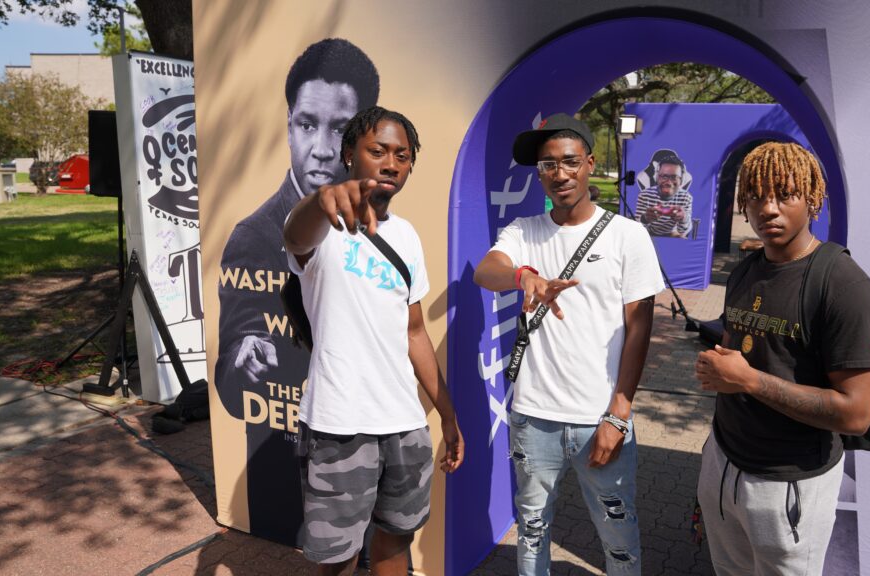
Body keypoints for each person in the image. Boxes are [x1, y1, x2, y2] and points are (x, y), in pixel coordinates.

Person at [473, 113, 664, 575]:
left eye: (569, 162)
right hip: (533, 419)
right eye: (546, 166)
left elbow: (639, 329)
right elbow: (485, 271)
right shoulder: (525, 232)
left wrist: (619, 414)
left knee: (618, 537)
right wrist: (524, 277)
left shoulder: (627, 235)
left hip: (599, 419)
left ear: (589, 163)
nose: (559, 174)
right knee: (533, 531)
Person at [283, 106, 463, 575]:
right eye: (377, 151)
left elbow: (415, 331)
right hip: (340, 424)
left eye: (402, 155)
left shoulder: (406, 236)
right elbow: (293, 236)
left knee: (394, 543)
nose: (390, 163)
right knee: (338, 559)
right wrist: (322, 198)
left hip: (404, 422)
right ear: (349, 154)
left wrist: (447, 413)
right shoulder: (321, 228)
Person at [213, 38, 379, 542]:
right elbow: (231, 369)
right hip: (284, 468)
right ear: (288, 126)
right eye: (308, 124)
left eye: (341, 129)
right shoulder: (254, 235)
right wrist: (245, 354)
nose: (323, 148)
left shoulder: (384, 229)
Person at [694, 142, 870, 575]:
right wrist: (719, 368)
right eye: (756, 196)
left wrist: (748, 381)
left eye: (784, 194)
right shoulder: (745, 268)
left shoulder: (842, 283)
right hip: (723, 463)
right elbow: (744, 350)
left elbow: (856, 413)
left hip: (790, 483)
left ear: (812, 198)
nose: (768, 209)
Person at [634, 149, 693, 237]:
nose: (668, 182)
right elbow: (637, 229)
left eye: (674, 177)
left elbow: (683, 231)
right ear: (657, 178)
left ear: (681, 180)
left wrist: (683, 218)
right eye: (664, 176)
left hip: (673, 234)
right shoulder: (644, 195)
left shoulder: (685, 197)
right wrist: (645, 218)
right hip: (650, 234)